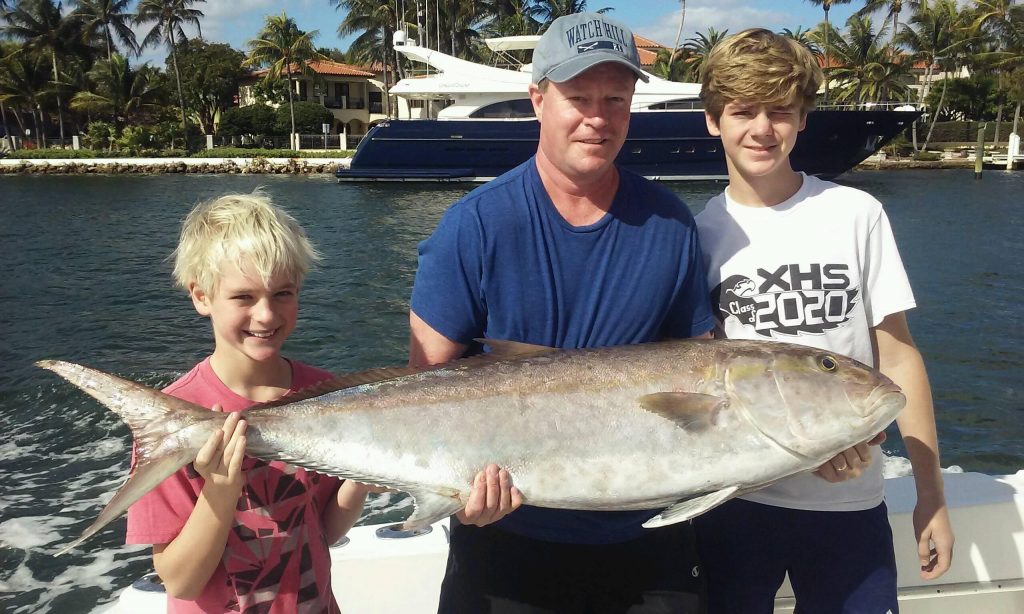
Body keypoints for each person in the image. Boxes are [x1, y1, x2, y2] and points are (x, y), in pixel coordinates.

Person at [408, 11, 715, 614]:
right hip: (506, 540)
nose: (597, 118)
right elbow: (424, 385)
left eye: (615, 99)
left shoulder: (671, 223)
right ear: (537, 99)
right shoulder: (473, 225)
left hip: (646, 540)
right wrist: (454, 483)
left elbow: (698, 370)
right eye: (577, 97)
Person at [692, 28, 955, 613]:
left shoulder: (854, 214)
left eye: (780, 111)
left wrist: (930, 495)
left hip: (849, 505)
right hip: (736, 506)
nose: (763, 128)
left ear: (803, 118)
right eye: (743, 111)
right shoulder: (699, 236)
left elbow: (898, 353)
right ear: (714, 121)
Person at [126, 192, 371, 613]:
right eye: (243, 297)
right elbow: (181, 581)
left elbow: (322, 531)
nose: (266, 315)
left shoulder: (329, 394)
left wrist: (362, 477)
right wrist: (220, 492)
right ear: (201, 297)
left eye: (283, 294)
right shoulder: (174, 416)